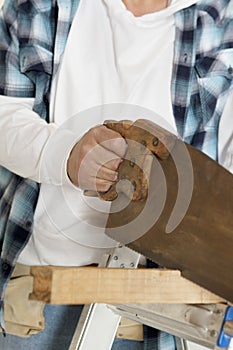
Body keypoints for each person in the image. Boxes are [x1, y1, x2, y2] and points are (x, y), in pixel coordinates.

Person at [0, 0, 232, 349]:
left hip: (175, 313)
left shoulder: (222, 18)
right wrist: (66, 155)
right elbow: (4, 115)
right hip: (41, 295)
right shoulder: (37, 6)